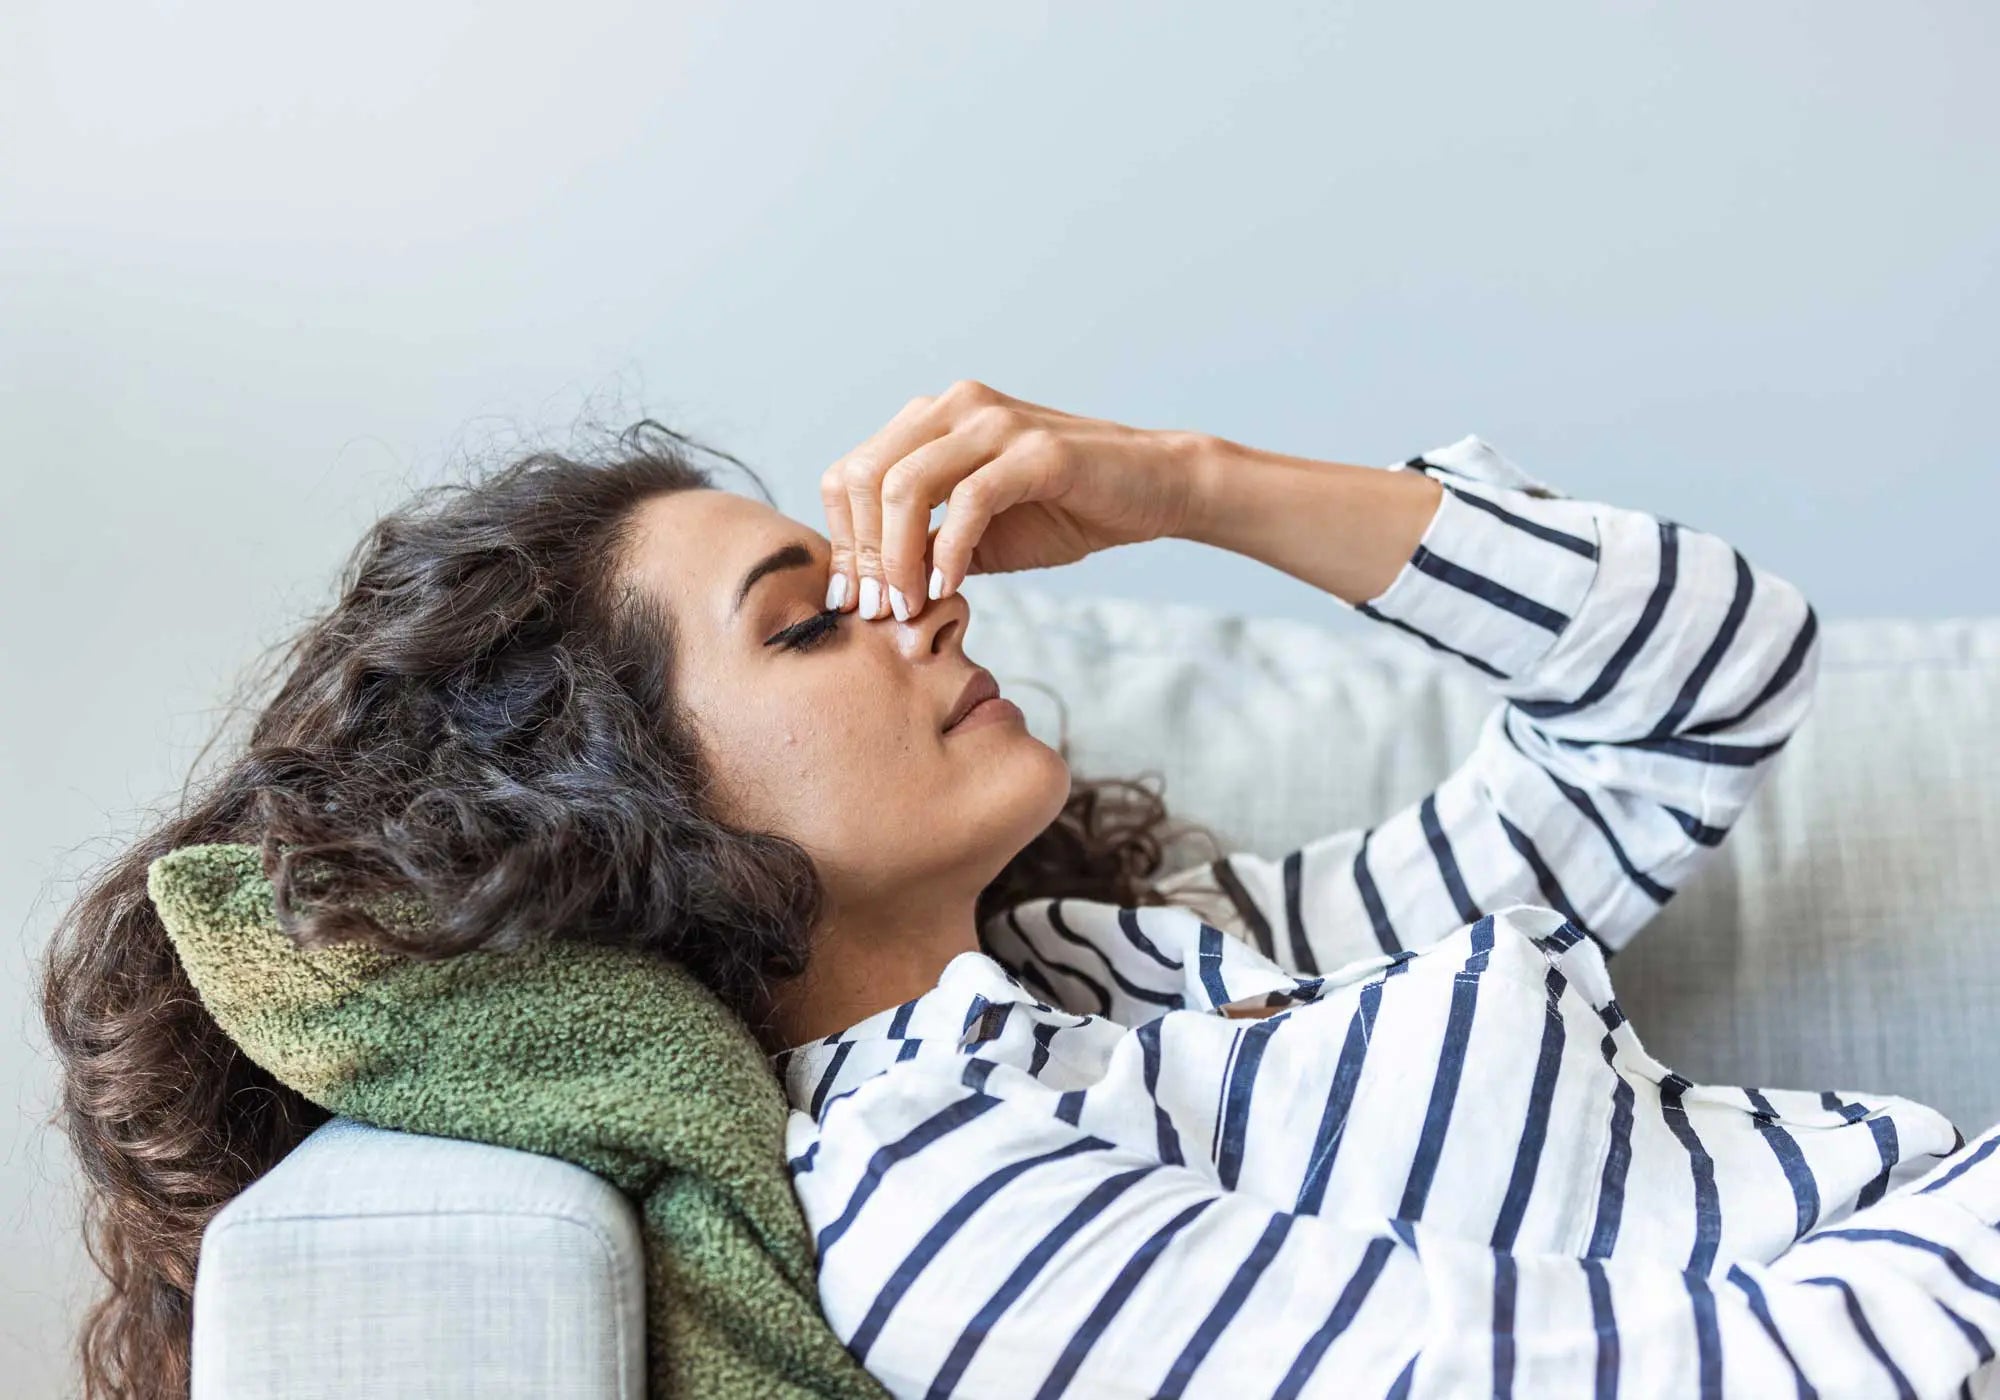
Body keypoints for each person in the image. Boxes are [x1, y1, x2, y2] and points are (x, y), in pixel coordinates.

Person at [40, 383, 1996, 1400]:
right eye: (808, 622)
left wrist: (1192, 481)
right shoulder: (950, 1211)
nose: (925, 608)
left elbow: (1707, 692)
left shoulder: (1135, 963)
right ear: (625, 817)